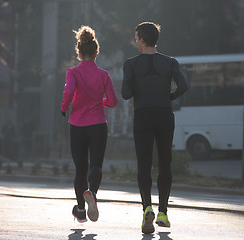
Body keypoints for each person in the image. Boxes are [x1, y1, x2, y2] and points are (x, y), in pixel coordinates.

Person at [121, 22, 188, 234]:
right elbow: (183, 86)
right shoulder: (170, 62)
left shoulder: (131, 64)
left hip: (143, 116)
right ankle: (163, 213)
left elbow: (125, 93)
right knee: (165, 163)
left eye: (135, 38)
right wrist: (168, 97)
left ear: (141, 39)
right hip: (164, 115)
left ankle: (146, 208)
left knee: (144, 164)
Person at [61, 25, 118, 223]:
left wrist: (64, 107)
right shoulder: (104, 75)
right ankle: (92, 192)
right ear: (96, 52)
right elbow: (112, 101)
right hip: (98, 124)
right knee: (96, 165)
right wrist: (98, 102)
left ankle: (80, 210)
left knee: (80, 169)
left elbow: (68, 92)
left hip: (77, 124)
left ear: (79, 51)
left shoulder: (73, 72)